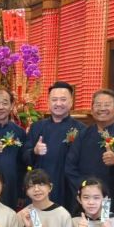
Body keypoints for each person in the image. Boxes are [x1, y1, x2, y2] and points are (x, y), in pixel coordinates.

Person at [65, 89, 114, 227]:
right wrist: (85, 190)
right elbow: (70, 167)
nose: (102, 108)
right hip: (87, 201)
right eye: (98, 105)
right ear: (92, 109)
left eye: (107, 104)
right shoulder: (82, 136)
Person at [21, 81, 86, 211]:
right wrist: (34, 151)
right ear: (48, 102)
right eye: (54, 100)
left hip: (68, 187)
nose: (58, 103)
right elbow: (24, 157)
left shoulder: (81, 129)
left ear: (71, 102)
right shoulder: (37, 127)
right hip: (40, 186)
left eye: (63, 99)